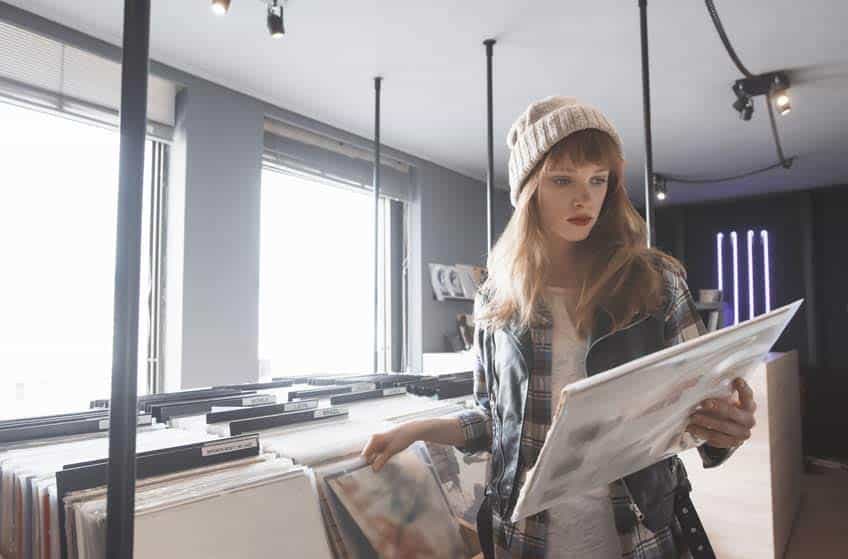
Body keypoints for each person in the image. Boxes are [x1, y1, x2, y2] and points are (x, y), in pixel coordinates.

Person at [362, 96, 757, 558]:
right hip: (527, 537)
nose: (583, 198)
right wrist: (416, 430)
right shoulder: (496, 297)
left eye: (598, 180)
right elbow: (496, 418)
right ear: (529, 190)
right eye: (562, 179)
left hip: (639, 535)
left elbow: (701, 411)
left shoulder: (655, 283)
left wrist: (728, 425)